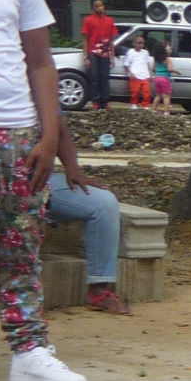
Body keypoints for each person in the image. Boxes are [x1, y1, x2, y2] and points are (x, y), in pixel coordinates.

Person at [0, 0, 88, 381]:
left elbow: (40, 63)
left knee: (21, 249)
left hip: (16, 136)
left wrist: (50, 135)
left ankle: (29, 353)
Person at [47, 117, 131, 315]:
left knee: (104, 203)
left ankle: (99, 289)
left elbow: (59, 129)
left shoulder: (40, 91)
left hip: (38, 179)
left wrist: (73, 170)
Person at [80, 0, 117, 110]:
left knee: (104, 77)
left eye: (101, 5)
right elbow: (85, 39)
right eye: (97, 6)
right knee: (94, 77)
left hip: (105, 52)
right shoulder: (88, 20)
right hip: (93, 52)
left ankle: (105, 101)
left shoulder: (109, 20)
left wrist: (112, 56)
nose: (100, 8)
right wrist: (86, 56)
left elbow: (111, 40)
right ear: (93, 8)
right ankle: (95, 100)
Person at [120, 34, 154, 110]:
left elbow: (148, 63)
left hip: (145, 75)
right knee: (135, 91)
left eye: (143, 43)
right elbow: (126, 64)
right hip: (135, 75)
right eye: (139, 43)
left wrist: (150, 73)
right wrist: (130, 73)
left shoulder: (145, 52)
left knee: (147, 92)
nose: (141, 45)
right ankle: (134, 103)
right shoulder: (130, 52)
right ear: (134, 43)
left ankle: (145, 105)